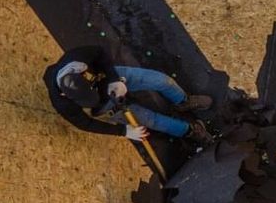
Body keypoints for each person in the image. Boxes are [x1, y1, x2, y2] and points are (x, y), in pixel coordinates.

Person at [46, 45, 210, 143]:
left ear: (81, 72)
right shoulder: (61, 103)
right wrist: (124, 131)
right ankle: (189, 131)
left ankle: (183, 101)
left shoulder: (76, 58)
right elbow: (85, 124)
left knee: (161, 81)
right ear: (66, 96)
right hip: (106, 104)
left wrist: (114, 79)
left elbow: (100, 52)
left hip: (109, 78)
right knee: (151, 119)